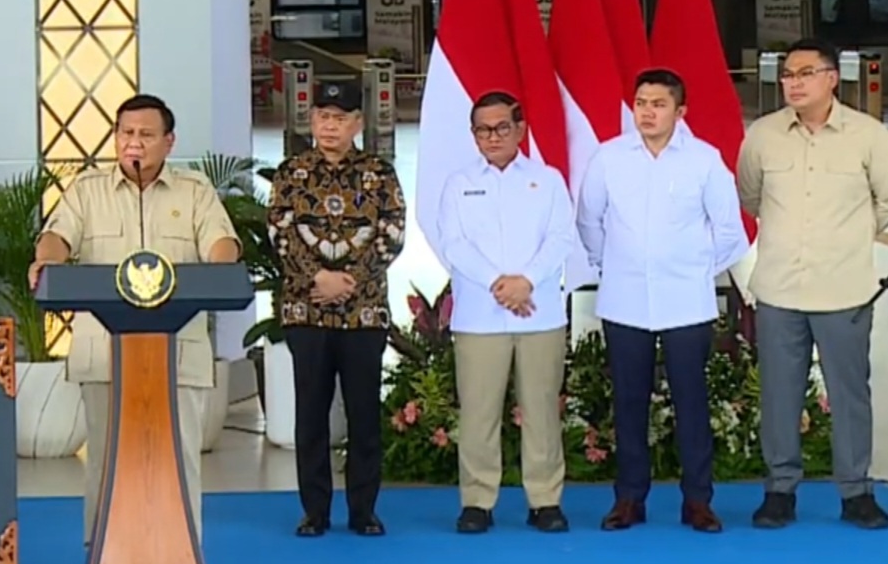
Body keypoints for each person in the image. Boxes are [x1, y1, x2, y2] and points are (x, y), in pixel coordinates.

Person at [27, 94, 241, 545]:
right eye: (126, 134)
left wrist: (221, 266)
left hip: (178, 357)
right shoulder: (87, 189)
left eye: (146, 135)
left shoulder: (196, 190)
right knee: (106, 459)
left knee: (179, 459)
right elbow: (56, 237)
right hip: (105, 356)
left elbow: (223, 244)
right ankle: (102, 561)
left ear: (169, 141)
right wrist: (46, 261)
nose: (134, 144)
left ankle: (182, 559)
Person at [577, 69, 748, 533]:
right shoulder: (609, 158)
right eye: (641, 103)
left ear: (680, 111)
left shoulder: (704, 160)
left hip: (686, 302)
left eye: (658, 104)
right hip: (625, 300)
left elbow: (731, 233)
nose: (648, 112)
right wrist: (608, 265)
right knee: (629, 402)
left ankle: (698, 500)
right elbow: (589, 222)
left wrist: (693, 268)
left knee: (692, 401)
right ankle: (629, 498)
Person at [738, 39, 888, 530]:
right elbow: (751, 196)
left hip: (843, 287)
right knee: (779, 393)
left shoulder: (868, 135)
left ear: (831, 78)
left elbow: (886, 203)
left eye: (804, 73)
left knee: (850, 394)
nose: (793, 83)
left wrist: (848, 241)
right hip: (780, 287)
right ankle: (780, 490)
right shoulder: (762, 136)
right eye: (786, 74)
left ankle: (856, 492)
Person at [267, 81, 405, 538]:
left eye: (341, 117)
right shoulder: (291, 172)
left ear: (358, 124)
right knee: (311, 415)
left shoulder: (379, 172)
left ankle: (364, 510)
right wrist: (316, 280)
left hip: (363, 313)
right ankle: (315, 511)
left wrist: (349, 281)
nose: (331, 125)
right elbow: (281, 235)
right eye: (323, 116)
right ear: (312, 122)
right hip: (307, 314)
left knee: (365, 415)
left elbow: (392, 233)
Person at [436, 91, 573, 535]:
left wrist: (525, 282)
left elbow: (560, 238)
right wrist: (500, 285)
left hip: (539, 313)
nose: (491, 136)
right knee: (478, 413)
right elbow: (453, 244)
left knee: (541, 411)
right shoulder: (458, 183)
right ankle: (478, 501)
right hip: (479, 316)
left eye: (501, 128)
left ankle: (545, 500)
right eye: (482, 129)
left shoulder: (547, 179)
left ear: (520, 130)